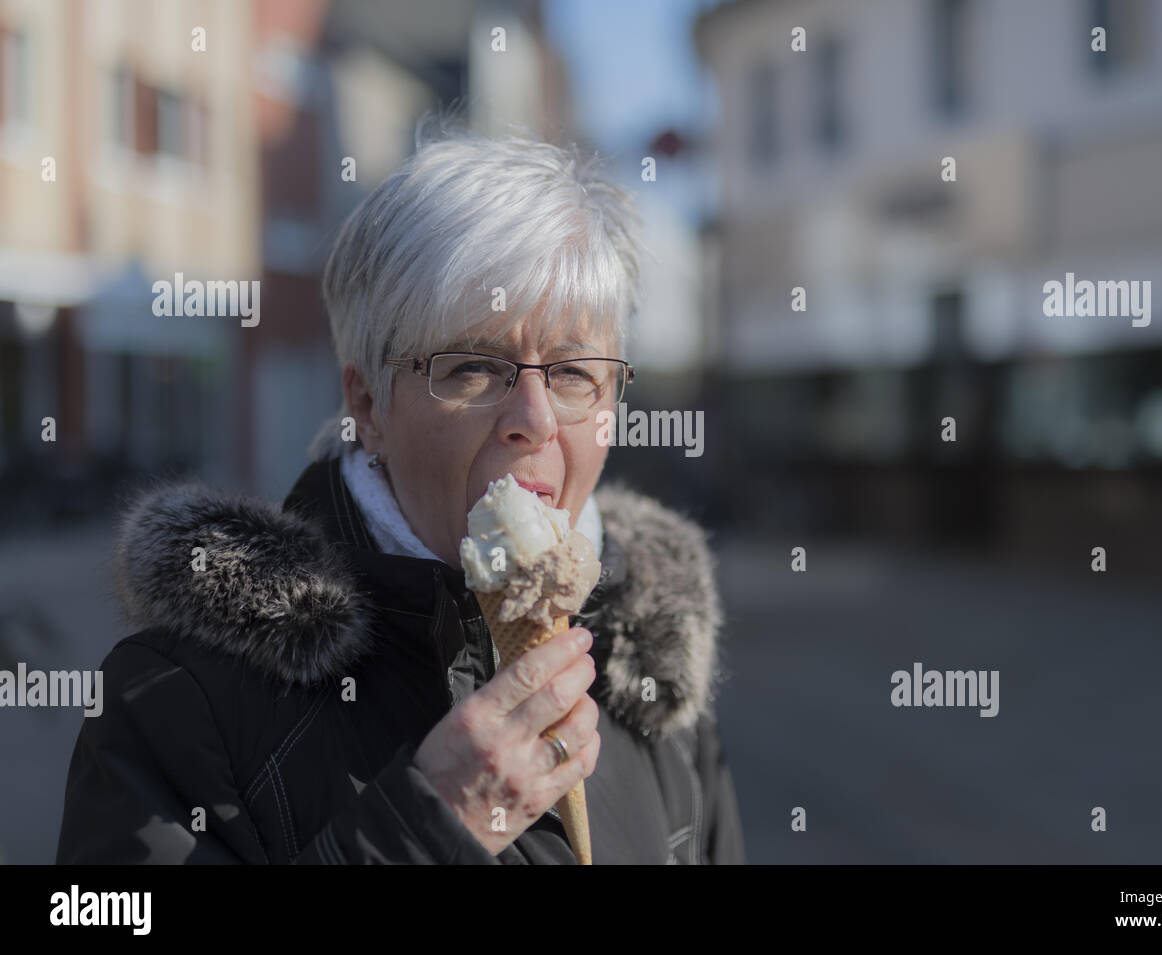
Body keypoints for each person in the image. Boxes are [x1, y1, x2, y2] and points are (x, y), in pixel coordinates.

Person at [55, 130, 745, 865]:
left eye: (575, 372)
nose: (536, 419)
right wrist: (425, 833)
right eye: (474, 367)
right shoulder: (179, 700)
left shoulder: (652, 674)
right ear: (368, 402)